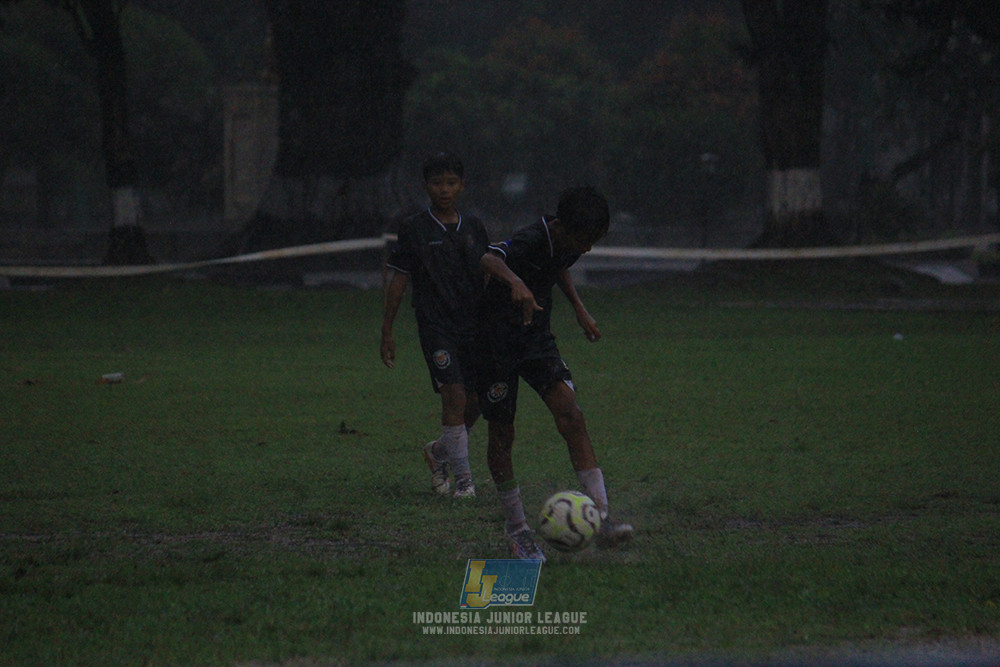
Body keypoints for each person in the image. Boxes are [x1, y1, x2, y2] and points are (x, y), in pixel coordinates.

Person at [478, 185, 633, 561]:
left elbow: (558, 264)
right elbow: (487, 258)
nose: (589, 248)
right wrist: (515, 282)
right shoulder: (532, 238)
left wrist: (579, 308)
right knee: (502, 432)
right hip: (495, 343)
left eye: (595, 240)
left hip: (535, 340)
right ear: (563, 226)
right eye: (587, 240)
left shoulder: (568, 242)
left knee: (571, 415)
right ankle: (517, 531)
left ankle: (602, 517)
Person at [381, 152, 487, 498]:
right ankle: (465, 482)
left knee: (475, 403)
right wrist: (388, 330)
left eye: (451, 183)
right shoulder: (413, 228)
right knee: (454, 396)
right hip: (435, 326)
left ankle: (439, 452)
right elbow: (399, 280)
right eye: (437, 183)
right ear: (426, 186)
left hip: (472, 326)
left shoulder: (473, 227)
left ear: (462, 186)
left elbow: (488, 275)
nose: (444, 190)